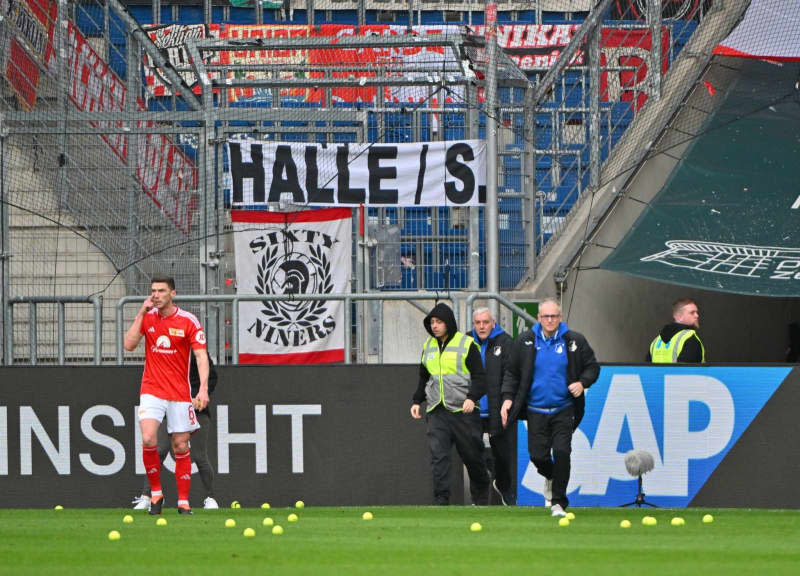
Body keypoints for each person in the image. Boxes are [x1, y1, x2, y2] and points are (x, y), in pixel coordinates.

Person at [500, 298, 599, 517]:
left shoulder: (574, 341)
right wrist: (508, 398)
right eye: (546, 316)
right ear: (539, 318)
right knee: (538, 457)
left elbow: (592, 367)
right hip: (535, 411)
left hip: (564, 410)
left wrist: (582, 383)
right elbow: (512, 373)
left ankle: (558, 502)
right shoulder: (525, 341)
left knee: (563, 452)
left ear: (560, 317)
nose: (550, 320)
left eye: (554, 316)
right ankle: (553, 477)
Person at [124, 275, 209, 515]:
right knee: (149, 438)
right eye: (153, 291)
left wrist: (202, 389)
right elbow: (128, 344)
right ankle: (156, 493)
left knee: (180, 445)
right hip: (152, 389)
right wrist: (141, 312)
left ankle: (183, 501)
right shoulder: (148, 317)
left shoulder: (188, 320)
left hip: (180, 393)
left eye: (161, 291)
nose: (156, 295)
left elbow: (201, 356)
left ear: (173, 293)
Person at [411, 302, 490, 505]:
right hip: (437, 409)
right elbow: (423, 376)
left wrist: (472, 398)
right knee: (439, 457)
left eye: (439, 322)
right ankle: (441, 501)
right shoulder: (428, 346)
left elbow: (480, 378)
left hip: (463, 410)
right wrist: (417, 400)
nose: (435, 326)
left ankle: (480, 499)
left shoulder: (466, 344)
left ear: (449, 323)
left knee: (472, 457)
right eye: (432, 322)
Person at [132, 353, 219, 510]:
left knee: (199, 455)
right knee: (159, 451)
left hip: (197, 410)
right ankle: (148, 496)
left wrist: (196, 398)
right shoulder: (167, 353)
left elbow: (212, 378)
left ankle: (210, 498)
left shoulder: (198, 354)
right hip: (169, 406)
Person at [470, 307, 515, 506]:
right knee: (473, 456)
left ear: (493, 323)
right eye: (478, 323)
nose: (481, 326)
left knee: (503, 456)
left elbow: (511, 375)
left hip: (499, 410)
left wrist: (507, 400)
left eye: (485, 322)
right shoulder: (465, 342)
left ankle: (504, 487)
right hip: (474, 410)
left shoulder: (506, 342)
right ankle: (478, 499)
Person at [648, 298, 705, 363]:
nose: (697, 315)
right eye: (692, 313)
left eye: (696, 312)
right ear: (679, 316)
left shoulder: (656, 341)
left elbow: (646, 369)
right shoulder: (690, 339)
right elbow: (688, 371)